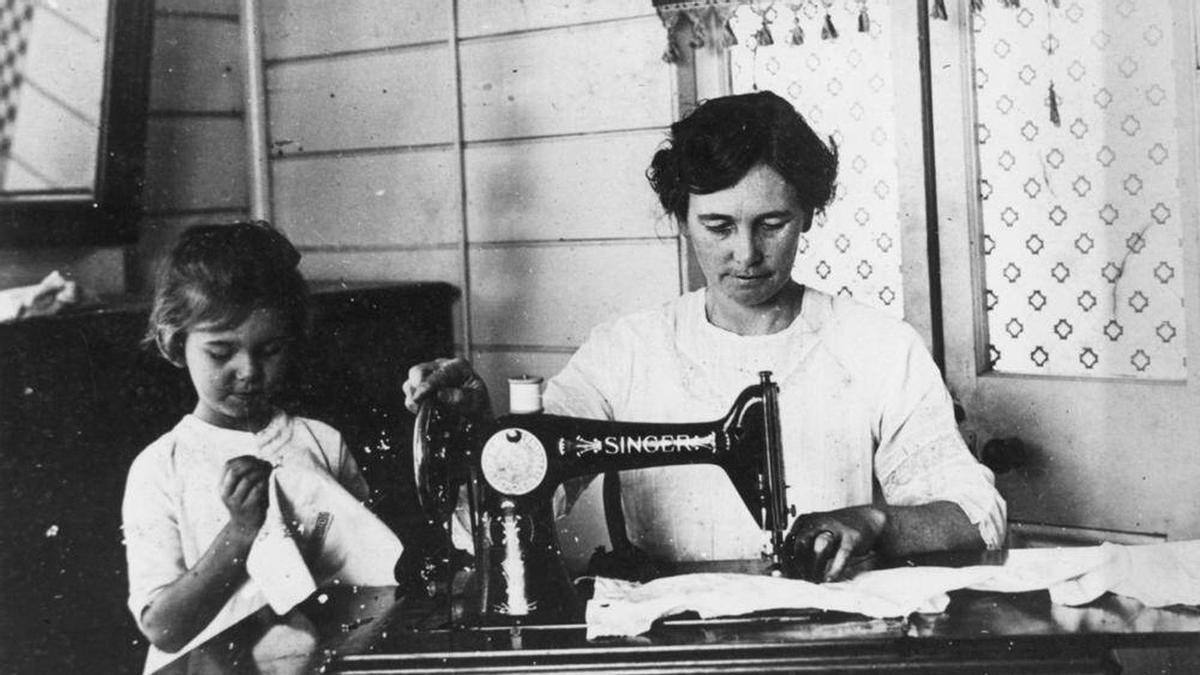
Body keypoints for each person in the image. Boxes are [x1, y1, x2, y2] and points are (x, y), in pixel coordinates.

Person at [404, 90, 1006, 583]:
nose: (747, 254)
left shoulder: (878, 345)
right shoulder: (626, 350)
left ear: (809, 215)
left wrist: (873, 521)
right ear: (681, 218)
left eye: (773, 223)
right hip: (665, 639)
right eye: (718, 226)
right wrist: (489, 439)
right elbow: (510, 493)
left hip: (827, 633)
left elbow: (977, 516)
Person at [122, 223, 372, 673]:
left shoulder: (321, 443)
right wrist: (239, 532)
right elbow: (163, 629)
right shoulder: (160, 468)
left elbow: (367, 576)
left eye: (270, 349)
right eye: (220, 353)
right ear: (175, 343)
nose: (248, 371)